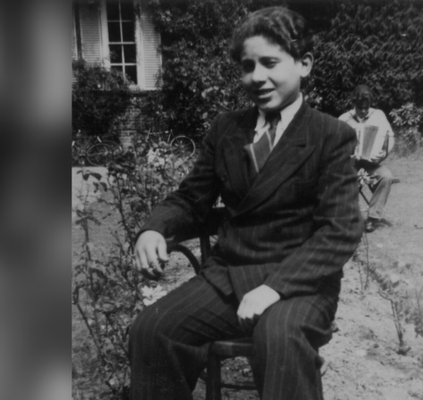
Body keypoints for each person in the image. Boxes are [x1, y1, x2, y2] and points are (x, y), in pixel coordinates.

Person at [129, 7, 363, 400]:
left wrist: (275, 288)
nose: (256, 77)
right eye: (247, 66)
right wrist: (155, 226)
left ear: (304, 63)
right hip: (230, 275)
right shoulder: (227, 128)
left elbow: (339, 230)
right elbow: (192, 198)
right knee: (152, 330)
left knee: (279, 337)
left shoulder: (329, 135)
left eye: (270, 63)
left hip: (300, 284)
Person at [339, 85, 396, 232]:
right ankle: (345, 218)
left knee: (386, 176)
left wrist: (383, 154)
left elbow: (390, 137)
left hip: (371, 164)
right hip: (350, 165)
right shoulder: (344, 119)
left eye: (366, 107)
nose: (364, 111)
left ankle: (373, 218)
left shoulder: (378, 115)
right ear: (354, 104)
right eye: (360, 107)